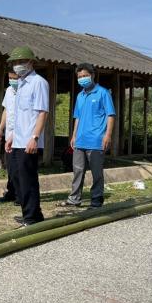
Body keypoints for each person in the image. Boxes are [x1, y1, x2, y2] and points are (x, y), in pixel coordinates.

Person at [60, 63, 116, 208]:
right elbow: (77, 117)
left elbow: (110, 115)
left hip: (96, 139)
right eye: (80, 77)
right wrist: (73, 136)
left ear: (92, 75)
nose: (82, 79)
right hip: (80, 140)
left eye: (85, 76)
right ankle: (74, 199)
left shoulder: (103, 93)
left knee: (97, 172)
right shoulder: (80, 95)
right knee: (78, 171)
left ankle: (97, 199)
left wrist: (107, 135)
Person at [5, 46, 49, 227]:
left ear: (31, 62)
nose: (17, 65)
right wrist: (11, 136)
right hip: (17, 139)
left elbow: (42, 112)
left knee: (28, 179)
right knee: (17, 178)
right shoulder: (21, 84)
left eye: (20, 61)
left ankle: (31, 218)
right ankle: (30, 213)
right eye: (15, 62)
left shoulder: (38, 82)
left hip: (30, 141)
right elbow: (18, 114)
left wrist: (35, 137)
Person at [0, 70, 19, 204]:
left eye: (14, 78)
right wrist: (0, 129)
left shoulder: (25, 91)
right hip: (9, 134)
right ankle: (11, 192)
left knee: (19, 166)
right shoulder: (9, 91)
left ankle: (21, 195)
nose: (12, 80)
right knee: (10, 164)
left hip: (21, 136)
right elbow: (6, 110)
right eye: (10, 78)